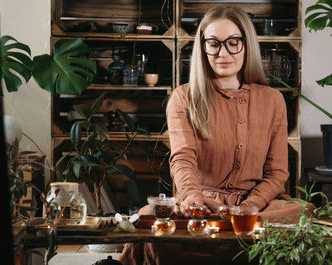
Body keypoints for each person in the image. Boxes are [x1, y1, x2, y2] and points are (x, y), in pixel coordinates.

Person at [119, 5, 303, 265]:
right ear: (202, 48)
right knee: (149, 217)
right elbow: (183, 159)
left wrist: (250, 207)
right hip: (202, 204)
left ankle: (234, 227)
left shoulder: (273, 100)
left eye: (233, 43)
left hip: (258, 206)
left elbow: (277, 173)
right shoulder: (183, 98)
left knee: (301, 212)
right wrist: (193, 200)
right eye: (213, 43)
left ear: (246, 44)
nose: (223, 53)